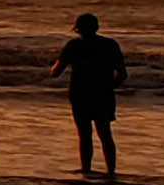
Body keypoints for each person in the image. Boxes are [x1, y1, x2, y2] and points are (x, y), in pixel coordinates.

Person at [49, 12, 127, 176]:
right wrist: (109, 87)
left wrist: (54, 64)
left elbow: (55, 72)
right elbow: (122, 74)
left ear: (78, 29)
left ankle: (86, 169)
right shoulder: (110, 45)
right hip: (103, 94)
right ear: (96, 27)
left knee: (85, 135)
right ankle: (111, 170)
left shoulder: (74, 46)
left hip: (80, 94)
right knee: (105, 134)